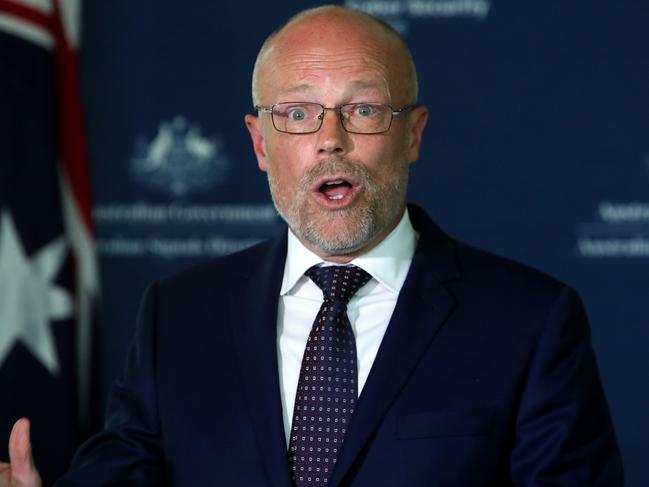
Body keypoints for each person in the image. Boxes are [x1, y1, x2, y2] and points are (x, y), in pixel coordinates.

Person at [0, 5, 623, 486]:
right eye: (298, 114)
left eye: (363, 110)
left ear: (412, 135)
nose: (331, 139)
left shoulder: (529, 322)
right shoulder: (179, 313)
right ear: (260, 143)